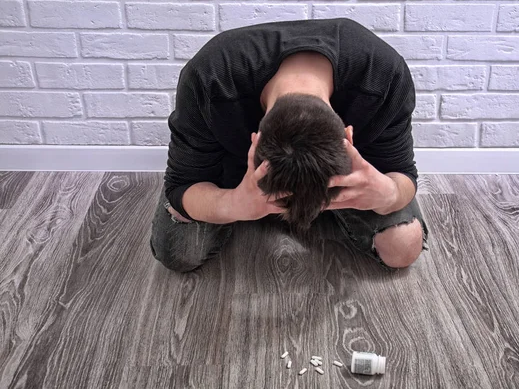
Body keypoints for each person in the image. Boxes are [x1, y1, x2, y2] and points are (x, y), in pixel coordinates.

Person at [150, 18, 429, 273]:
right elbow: (183, 184)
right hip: (236, 179)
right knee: (178, 251)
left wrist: (389, 192)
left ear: (348, 138)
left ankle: (323, 193)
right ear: (253, 140)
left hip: (346, 178)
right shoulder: (210, 77)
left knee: (403, 246)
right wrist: (232, 204)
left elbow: (402, 172)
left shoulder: (383, 74)